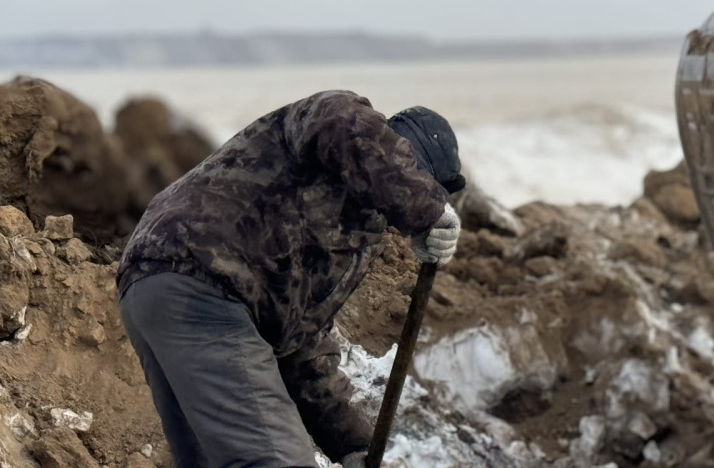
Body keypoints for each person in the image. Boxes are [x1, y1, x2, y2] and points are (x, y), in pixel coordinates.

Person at [116, 91, 465, 468]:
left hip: (154, 286)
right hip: (205, 281)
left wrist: (351, 443)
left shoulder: (351, 233)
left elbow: (299, 343)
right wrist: (428, 208)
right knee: (277, 460)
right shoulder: (336, 134)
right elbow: (341, 119)